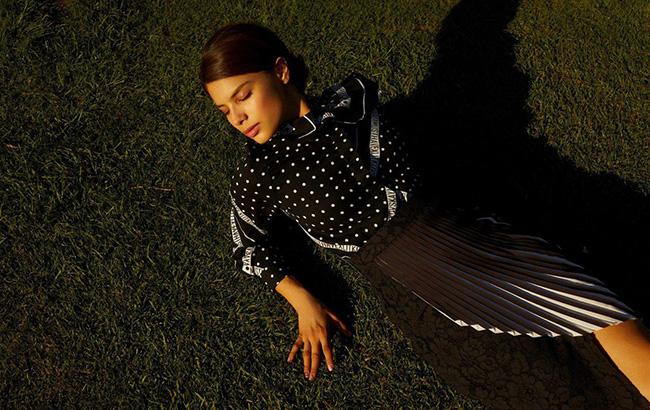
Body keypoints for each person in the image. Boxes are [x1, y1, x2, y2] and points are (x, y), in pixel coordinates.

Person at [199, 22, 650, 408]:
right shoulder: (261, 172)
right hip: (417, 282)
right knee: (552, 384)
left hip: (470, 235)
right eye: (225, 110)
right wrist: (303, 300)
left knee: (606, 318)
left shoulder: (352, 104)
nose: (237, 117)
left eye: (244, 96)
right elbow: (246, 243)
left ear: (280, 72)